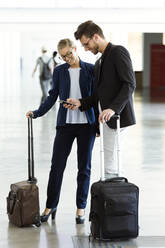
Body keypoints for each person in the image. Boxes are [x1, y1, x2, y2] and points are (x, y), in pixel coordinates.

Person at [26, 38, 96, 224]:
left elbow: (96, 98)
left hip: (86, 126)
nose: (67, 59)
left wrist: (97, 126)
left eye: (69, 54)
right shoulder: (59, 71)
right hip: (65, 125)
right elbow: (52, 96)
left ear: (75, 48)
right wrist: (37, 112)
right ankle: (51, 205)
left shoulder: (90, 69)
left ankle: (81, 208)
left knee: (84, 168)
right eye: (63, 56)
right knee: (56, 167)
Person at [65, 20, 136, 179]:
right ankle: (111, 193)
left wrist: (113, 109)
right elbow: (98, 94)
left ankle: (114, 195)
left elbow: (129, 84)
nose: (85, 48)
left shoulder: (118, 52)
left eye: (86, 44)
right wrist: (81, 103)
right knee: (109, 159)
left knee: (111, 160)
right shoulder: (99, 62)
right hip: (104, 118)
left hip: (116, 117)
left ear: (96, 36)